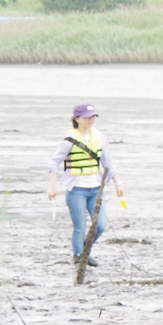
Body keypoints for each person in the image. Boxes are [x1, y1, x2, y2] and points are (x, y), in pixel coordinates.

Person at [48, 103, 125, 267]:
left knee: (101, 225)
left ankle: (84, 250)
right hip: (76, 190)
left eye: (92, 117)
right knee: (80, 227)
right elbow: (53, 163)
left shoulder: (99, 136)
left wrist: (118, 183)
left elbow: (108, 164)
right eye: (86, 117)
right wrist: (52, 186)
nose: (90, 120)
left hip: (96, 189)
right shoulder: (69, 140)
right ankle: (78, 257)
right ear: (77, 119)